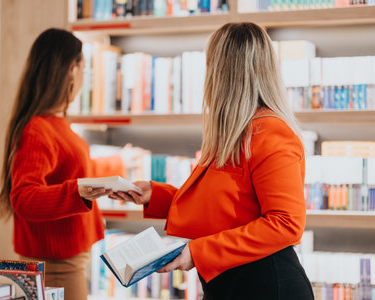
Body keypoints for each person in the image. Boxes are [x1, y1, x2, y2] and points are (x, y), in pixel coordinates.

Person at [109, 22, 314, 299]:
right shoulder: (233, 131)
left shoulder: (271, 133)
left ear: (222, 72)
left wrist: (198, 252)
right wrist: (154, 196)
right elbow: (222, 209)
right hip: (230, 283)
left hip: (265, 285)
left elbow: (286, 223)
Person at [0, 28, 141, 300]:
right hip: (55, 267)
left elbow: (78, 170)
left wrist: (118, 161)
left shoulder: (54, 125)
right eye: (84, 71)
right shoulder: (38, 130)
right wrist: (77, 192)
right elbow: (24, 197)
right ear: (72, 70)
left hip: (65, 262)